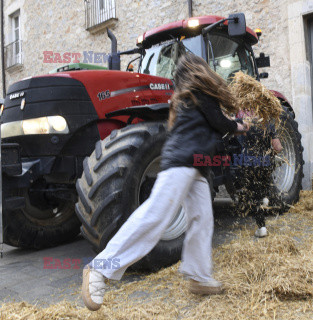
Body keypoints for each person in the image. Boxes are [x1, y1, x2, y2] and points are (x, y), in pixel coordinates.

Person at [81, 53, 249, 311]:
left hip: (198, 168)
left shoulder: (186, 98)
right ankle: (100, 269)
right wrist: (241, 125)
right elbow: (221, 123)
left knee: (202, 219)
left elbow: (212, 126)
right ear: (198, 71)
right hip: (182, 162)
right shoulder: (198, 95)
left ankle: (199, 276)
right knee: (156, 215)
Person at [236, 112, 283, 238]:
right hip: (265, 161)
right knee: (265, 182)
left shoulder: (243, 122)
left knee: (254, 195)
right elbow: (278, 147)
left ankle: (261, 227)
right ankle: (266, 197)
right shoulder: (267, 122)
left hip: (249, 162)